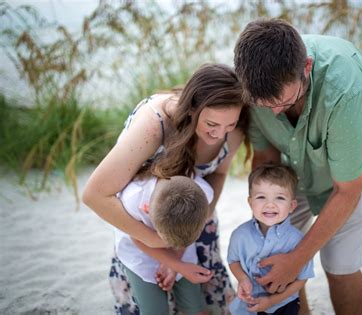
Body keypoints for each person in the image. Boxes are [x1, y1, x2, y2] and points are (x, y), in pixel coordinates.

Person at [233, 19, 362, 315]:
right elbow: (267, 161)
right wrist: (267, 226)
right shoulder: (253, 85)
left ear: (306, 67)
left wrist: (297, 259)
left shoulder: (347, 91)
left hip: (360, 170)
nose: (275, 112)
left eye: (283, 101)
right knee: (274, 251)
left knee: (338, 262)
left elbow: (346, 191)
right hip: (295, 167)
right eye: (263, 105)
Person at [82, 63, 248, 314]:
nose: (219, 135)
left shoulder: (233, 131)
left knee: (200, 303)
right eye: (212, 124)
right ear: (192, 108)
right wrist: (161, 244)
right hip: (143, 223)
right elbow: (94, 195)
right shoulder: (155, 123)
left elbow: (219, 174)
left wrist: (182, 246)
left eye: (229, 125)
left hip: (193, 221)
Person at [115, 175, 212, 314]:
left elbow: (183, 239)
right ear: (147, 209)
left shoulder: (203, 192)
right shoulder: (132, 200)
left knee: (196, 308)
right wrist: (178, 266)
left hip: (183, 253)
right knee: (154, 311)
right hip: (139, 253)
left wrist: (175, 262)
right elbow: (137, 238)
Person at [227, 164, 314, 315]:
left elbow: (302, 279)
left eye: (280, 198)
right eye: (261, 197)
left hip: (284, 305)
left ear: (292, 205)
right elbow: (233, 261)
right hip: (248, 304)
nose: (270, 204)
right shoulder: (240, 234)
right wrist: (242, 279)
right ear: (250, 202)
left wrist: (272, 301)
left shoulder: (298, 240)